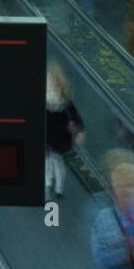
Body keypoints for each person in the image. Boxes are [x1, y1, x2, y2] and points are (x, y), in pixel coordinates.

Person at [45, 63, 86, 199]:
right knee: (48, 160)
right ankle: (48, 181)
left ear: (59, 85)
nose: (49, 85)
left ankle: (59, 188)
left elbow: (75, 116)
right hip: (47, 136)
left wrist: (80, 130)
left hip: (60, 138)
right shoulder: (45, 99)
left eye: (52, 82)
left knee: (57, 161)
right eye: (48, 82)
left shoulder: (65, 102)